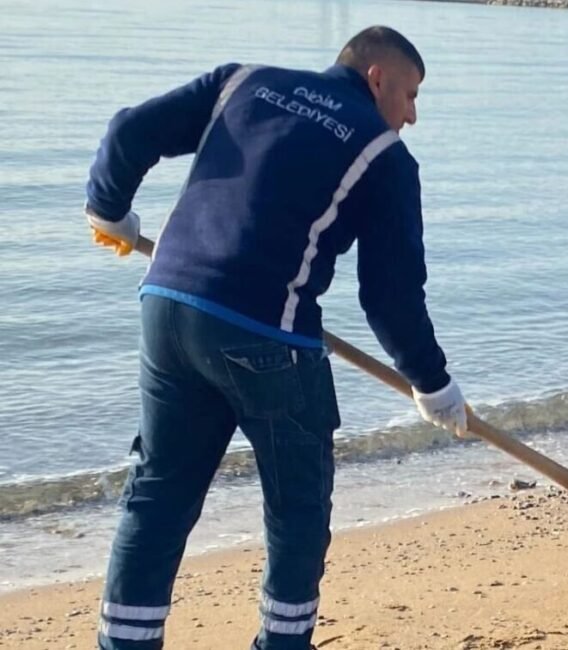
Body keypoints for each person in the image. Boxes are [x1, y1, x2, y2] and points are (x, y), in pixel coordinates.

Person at [83, 26, 468, 650]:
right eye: (410, 94)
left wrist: (109, 208)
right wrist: (432, 382)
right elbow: (390, 297)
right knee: (298, 508)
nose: (412, 115)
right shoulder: (384, 157)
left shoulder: (243, 81)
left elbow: (130, 130)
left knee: (157, 496)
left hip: (166, 309)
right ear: (376, 78)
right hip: (267, 335)